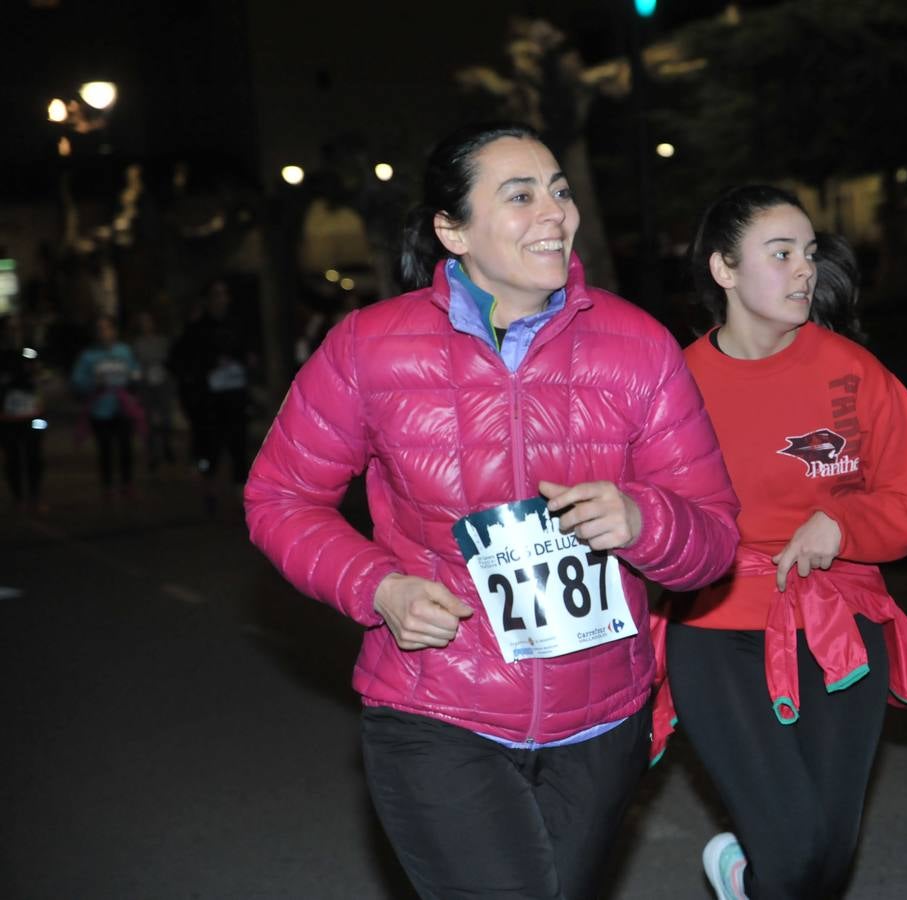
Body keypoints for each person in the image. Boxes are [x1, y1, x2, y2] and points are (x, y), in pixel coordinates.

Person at [243, 122, 739, 900]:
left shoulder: (640, 347)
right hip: (434, 706)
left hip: (602, 719)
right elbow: (280, 498)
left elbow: (713, 540)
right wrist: (380, 589)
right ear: (452, 229)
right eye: (520, 195)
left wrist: (645, 522)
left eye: (560, 190)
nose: (555, 212)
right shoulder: (369, 347)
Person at [653, 186, 907, 899]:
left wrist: (843, 525)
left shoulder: (854, 373)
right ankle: (751, 870)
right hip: (716, 628)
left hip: (837, 624)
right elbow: (643, 513)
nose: (804, 272)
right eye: (781, 253)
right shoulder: (672, 384)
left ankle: (746, 880)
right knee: (791, 852)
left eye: (810, 254)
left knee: (825, 858)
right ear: (724, 269)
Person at [170, 280, 253, 511]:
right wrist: (205, 368)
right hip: (209, 403)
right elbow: (181, 362)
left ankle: (241, 492)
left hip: (235, 397)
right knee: (210, 446)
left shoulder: (237, 325)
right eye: (216, 295)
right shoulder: (196, 329)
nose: (222, 299)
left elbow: (247, 352)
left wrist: (245, 361)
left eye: (224, 294)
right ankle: (209, 486)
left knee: (239, 444)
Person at [70, 315, 142, 499]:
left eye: (106, 328)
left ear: (114, 330)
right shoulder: (88, 355)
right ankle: (108, 485)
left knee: (126, 448)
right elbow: (77, 381)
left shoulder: (124, 351)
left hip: (123, 408)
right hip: (100, 410)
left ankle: (128, 484)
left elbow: (135, 371)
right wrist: (94, 383)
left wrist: (133, 379)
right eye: (99, 329)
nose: (103, 332)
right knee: (105, 450)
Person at [0, 314, 47, 513]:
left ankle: (34, 496)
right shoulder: (2, 353)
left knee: (34, 455)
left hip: (32, 414)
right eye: (10, 328)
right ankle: (19, 497)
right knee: (13, 457)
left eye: (17, 328)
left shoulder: (27, 351)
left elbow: (36, 371)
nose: (14, 332)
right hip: (8, 417)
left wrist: (31, 373)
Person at [131, 309, 176, 472]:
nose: (146, 325)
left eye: (148, 321)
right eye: (143, 322)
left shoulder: (162, 341)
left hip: (162, 382)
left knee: (165, 418)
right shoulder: (137, 343)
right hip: (146, 384)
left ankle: (166, 446)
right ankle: (152, 454)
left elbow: (169, 361)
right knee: (148, 419)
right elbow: (135, 363)